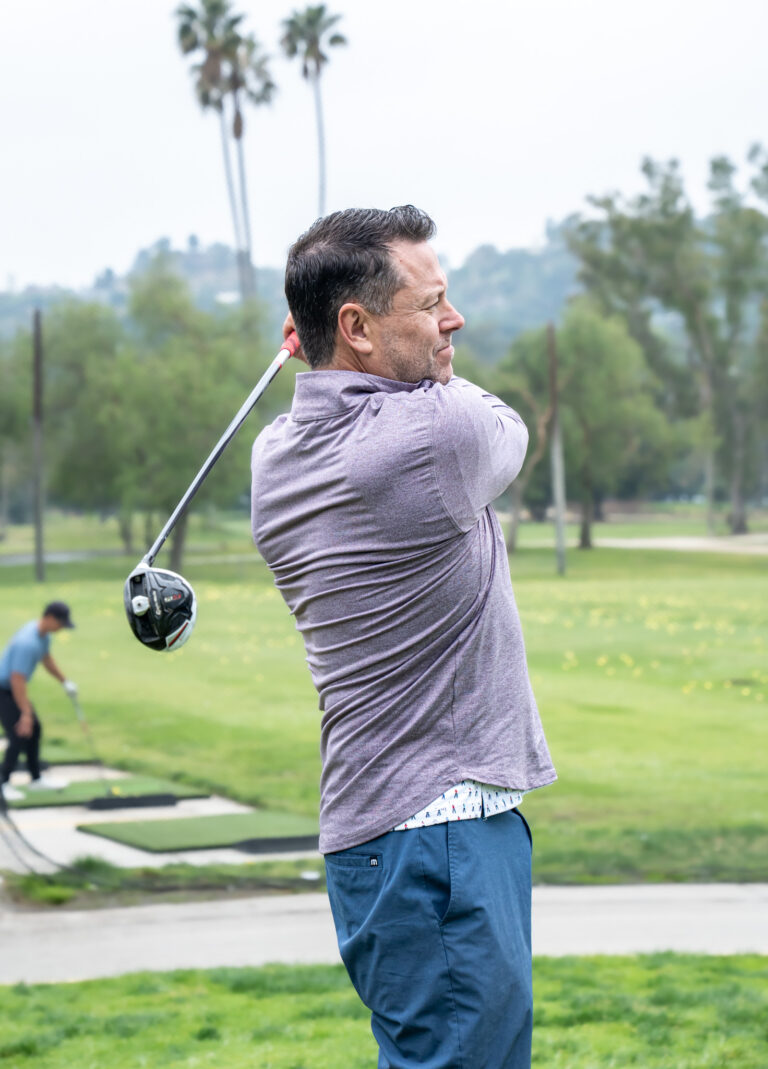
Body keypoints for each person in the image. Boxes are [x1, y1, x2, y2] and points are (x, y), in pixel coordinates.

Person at [250, 206, 556, 1069]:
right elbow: (506, 428)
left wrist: (327, 350)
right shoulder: (434, 435)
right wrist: (396, 363)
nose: (451, 322)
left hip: (374, 838)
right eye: (431, 305)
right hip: (442, 833)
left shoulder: (276, 455)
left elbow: (357, 383)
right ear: (357, 327)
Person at [0, 601, 78, 800]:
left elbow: (46, 659)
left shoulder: (42, 635)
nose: (61, 628)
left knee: (34, 729)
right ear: (50, 618)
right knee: (19, 732)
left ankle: (35, 780)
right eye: (61, 623)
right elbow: (17, 680)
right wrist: (25, 713)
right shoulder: (28, 642)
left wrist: (64, 681)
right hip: (4, 690)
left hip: (11, 689)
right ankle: (3, 782)